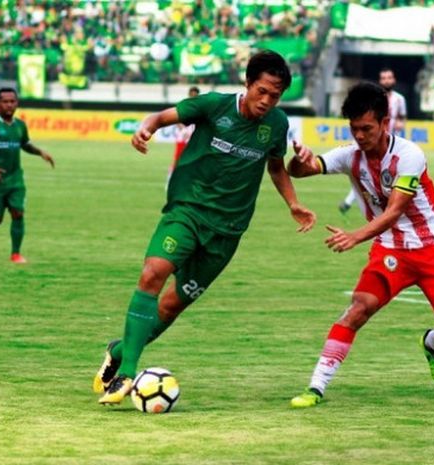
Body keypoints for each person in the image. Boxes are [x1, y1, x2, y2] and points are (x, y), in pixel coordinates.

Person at [94, 50, 316, 405]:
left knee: (169, 308)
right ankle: (127, 372)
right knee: (153, 273)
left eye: (275, 95)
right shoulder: (213, 106)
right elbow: (162, 116)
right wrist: (146, 129)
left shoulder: (276, 124)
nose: (267, 100)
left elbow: (276, 166)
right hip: (188, 213)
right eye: (262, 91)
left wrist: (293, 203)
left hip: (226, 233)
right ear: (248, 83)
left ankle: (119, 349)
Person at [288, 81, 434, 408]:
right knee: (358, 309)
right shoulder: (350, 156)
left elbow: (395, 211)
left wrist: (355, 236)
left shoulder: (409, 155)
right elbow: (304, 170)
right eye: (354, 129)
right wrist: (298, 161)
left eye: (367, 128)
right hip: (390, 250)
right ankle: (315, 387)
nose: (359, 136)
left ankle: (432, 344)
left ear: (385, 124)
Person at [0, 87, 54, 263]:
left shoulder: (20, 125)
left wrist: (40, 152)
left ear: (17, 103)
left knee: (18, 213)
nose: (9, 105)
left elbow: (24, 144)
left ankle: (15, 253)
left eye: (12, 101)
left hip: (15, 179)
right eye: (5, 101)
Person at [339, 68, 407, 214]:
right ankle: (351, 202)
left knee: (382, 179)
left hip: (389, 145)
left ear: (393, 80)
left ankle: (352, 202)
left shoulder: (399, 99)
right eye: (383, 78)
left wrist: (400, 125)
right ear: (380, 80)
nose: (386, 80)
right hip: (371, 144)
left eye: (389, 77)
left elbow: (402, 117)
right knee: (365, 176)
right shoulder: (371, 103)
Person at [167, 86, 200, 186]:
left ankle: (189, 181)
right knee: (177, 158)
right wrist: (183, 129)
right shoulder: (184, 105)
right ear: (189, 94)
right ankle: (170, 179)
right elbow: (176, 119)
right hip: (183, 137)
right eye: (192, 94)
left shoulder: (200, 106)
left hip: (193, 137)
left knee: (194, 159)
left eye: (195, 95)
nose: (193, 96)